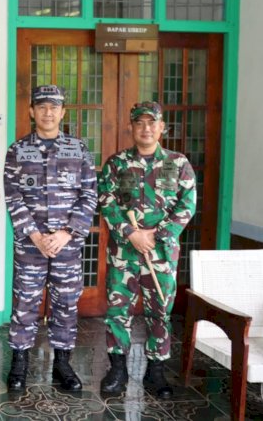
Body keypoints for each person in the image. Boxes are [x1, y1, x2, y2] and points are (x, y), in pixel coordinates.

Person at [98, 101, 196, 399]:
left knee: (160, 313)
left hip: (162, 254)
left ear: (162, 127)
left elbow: (187, 203)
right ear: (132, 127)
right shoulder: (117, 163)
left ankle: (156, 371)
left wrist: (159, 234)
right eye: (140, 123)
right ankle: (117, 369)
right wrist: (130, 233)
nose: (146, 128)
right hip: (124, 253)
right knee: (118, 312)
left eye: (152, 123)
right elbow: (106, 200)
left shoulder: (178, 163)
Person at [3, 84, 97, 392]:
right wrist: (35, 234)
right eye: (41, 106)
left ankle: (63, 364)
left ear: (62, 112)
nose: (47, 111)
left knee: (66, 304)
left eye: (53, 107)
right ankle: (19, 364)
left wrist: (66, 233)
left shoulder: (79, 149)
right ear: (32, 111)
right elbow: (12, 195)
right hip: (30, 246)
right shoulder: (17, 150)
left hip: (66, 247)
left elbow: (89, 195)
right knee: (25, 303)